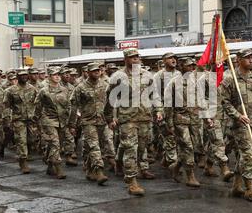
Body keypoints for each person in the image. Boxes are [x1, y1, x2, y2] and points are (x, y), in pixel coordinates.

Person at [104, 48, 162, 196]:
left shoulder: (147, 75)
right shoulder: (118, 76)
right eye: (132, 57)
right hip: (127, 118)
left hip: (144, 117)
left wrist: (159, 110)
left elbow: (154, 94)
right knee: (131, 148)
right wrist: (109, 118)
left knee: (141, 149)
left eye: (137, 57)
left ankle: (118, 159)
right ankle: (131, 181)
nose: (136, 59)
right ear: (126, 59)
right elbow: (110, 99)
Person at [221, 49, 252, 202]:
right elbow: (224, 101)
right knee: (249, 154)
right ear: (238, 59)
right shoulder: (230, 79)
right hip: (238, 124)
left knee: (245, 155)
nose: (251, 60)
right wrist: (237, 115)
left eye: (251, 58)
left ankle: (236, 185)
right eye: (247, 58)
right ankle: (250, 188)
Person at [70, 63, 110, 185]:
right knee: (94, 146)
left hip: (102, 120)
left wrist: (111, 118)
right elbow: (73, 105)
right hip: (88, 121)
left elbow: (110, 103)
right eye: (94, 71)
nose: (97, 72)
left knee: (97, 146)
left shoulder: (105, 85)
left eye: (98, 70)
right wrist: (72, 124)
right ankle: (99, 171)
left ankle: (89, 169)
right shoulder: (80, 87)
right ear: (88, 72)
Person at [165, 58, 202, 188]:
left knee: (196, 146)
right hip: (181, 120)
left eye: (193, 66)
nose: (192, 68)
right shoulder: (174, 83)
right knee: (188, 147)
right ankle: (190, 176)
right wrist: (169, 124)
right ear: (182, 67)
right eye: (189, 66)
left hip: (195, 120)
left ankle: (176, 166)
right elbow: (168, 105)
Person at [34, 67, 70, 179]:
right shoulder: (44, 91)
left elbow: (68, 105)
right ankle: (58, 167)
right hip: (49, 120)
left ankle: (49, 163)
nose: (57, 76)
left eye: (58, 74)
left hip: (62, 121)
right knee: (55, 143)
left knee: (54, 145)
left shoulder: (64, 90)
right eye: (54, 74)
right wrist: (36, 121)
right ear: (49, 77)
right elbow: (38, 106)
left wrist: (69, 119)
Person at [4, 69, 38, 174]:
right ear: (17, 77)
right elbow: (6, 106)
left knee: (31, 139)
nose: (24, 77)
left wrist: (38, 117)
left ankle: (26, 154)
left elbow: (37, 103)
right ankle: (23, 161)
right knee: (21, 140)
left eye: (25, 75)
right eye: (21, 75)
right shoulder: (10, 90)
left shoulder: (32, 89)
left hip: (31, 119)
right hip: (18, 119)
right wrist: (7, 120)